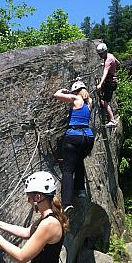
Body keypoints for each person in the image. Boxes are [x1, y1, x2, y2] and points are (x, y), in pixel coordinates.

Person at [0, 171, 68, 263]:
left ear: (38, 197)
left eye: (29, 197)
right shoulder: (49, 217)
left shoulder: (49, 224)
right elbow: (27, 232)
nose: (28, 201)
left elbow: (21, 257)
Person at [53, 80, 95, 212]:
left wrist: (64, 92)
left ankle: (66, 203)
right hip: (88, 137)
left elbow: (56, 95)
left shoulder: (75, 98)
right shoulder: (90, 101)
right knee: (78, 161)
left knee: (67, 170)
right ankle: (81, 190)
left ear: (75, 91)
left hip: (74, 136)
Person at [96, 42, 120, 127]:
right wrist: (111, 66)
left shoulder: (107, 60)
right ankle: (109, 117)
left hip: (110, 83)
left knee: (104, 101)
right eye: (99, 54)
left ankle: (112, 120)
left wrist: (100, 84)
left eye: (101, 54)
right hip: (112, 82)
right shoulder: (111, 55)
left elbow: (105, 73)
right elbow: (118, 63)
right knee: (104, 98)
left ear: (105, 51)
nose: (100, 56)